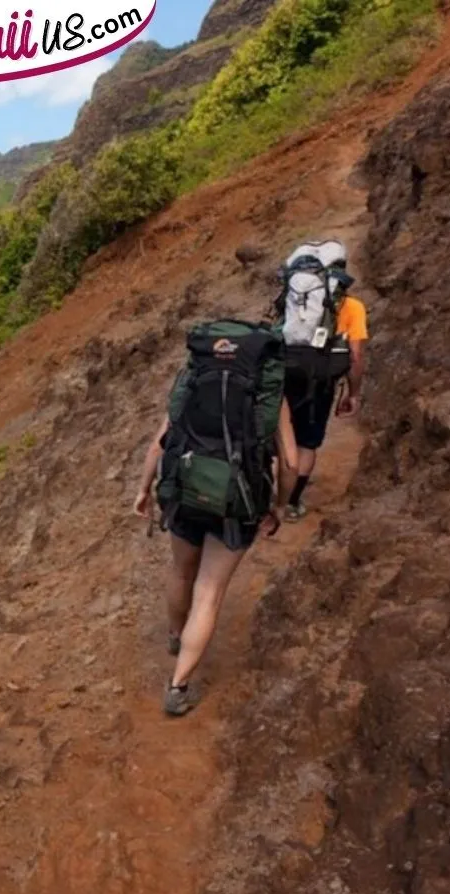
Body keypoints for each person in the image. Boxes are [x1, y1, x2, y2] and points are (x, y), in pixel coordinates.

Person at [133, 325, 299, 718]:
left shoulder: (192, 380)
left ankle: (176, 636)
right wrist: (279, 506)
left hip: (184, 491)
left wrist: (143, 489)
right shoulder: (269, 394)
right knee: (209, 590)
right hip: (238, 501)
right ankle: (178, 686)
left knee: (181, 571)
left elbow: (161, 441)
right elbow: (290, 462)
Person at [275, 240, 368, 521]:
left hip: (282, 371)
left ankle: (261, 497)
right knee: (305, 443)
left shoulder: (290, 298)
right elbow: (355, 356)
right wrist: (353, 393)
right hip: (320, 381)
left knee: (277, 435)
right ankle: (289, 503)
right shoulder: (352, 307)